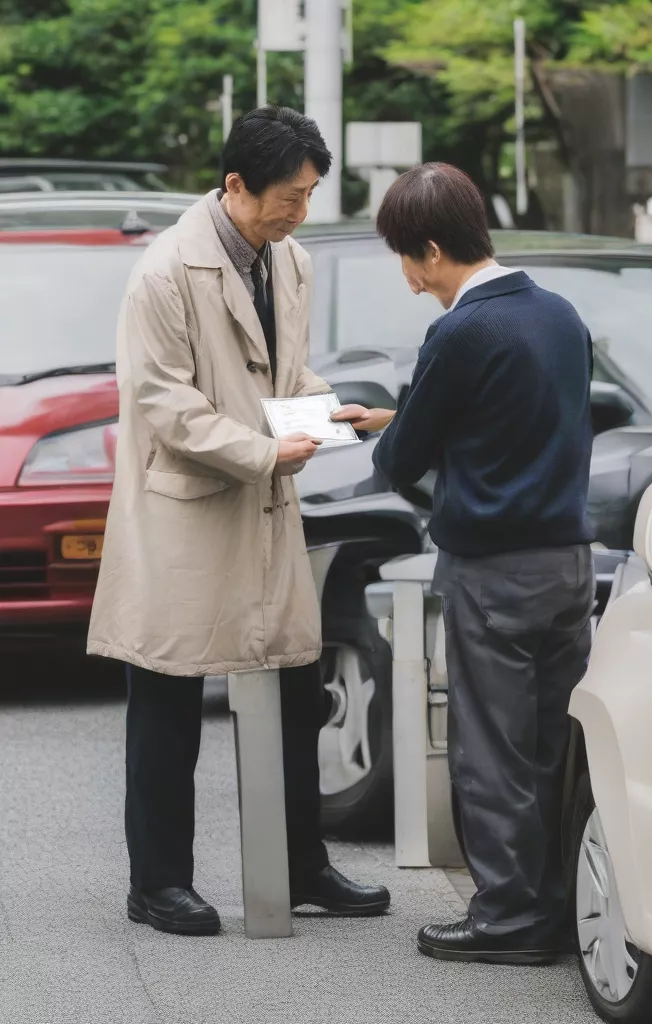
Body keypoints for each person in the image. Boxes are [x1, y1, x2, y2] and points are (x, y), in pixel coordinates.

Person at [87, 106, 390, 936]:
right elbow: (164, 403)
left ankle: (301, 866)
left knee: (295, 683)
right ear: (235, 187)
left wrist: (332, 411)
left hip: (262, 497)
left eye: (310, 194)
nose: (302, 211)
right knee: (168, 695)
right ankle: (157, 883)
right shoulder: (161, 274)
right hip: (186, 507)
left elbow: (277, 371)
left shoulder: (285, 258)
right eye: (290, 196)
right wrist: (266, 448)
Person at [332, 163, 595, 964]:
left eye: (409, 262)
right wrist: (403, 411)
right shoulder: (557, 314)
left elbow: (405, 458)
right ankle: (553, 907)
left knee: (490, 750)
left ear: (435, 248)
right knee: (550, 746)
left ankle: (507, 919)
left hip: (493, 570)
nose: (411, 282)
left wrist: (383, 431)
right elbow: (508, 415)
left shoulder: (462, 328)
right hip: (567, 567)